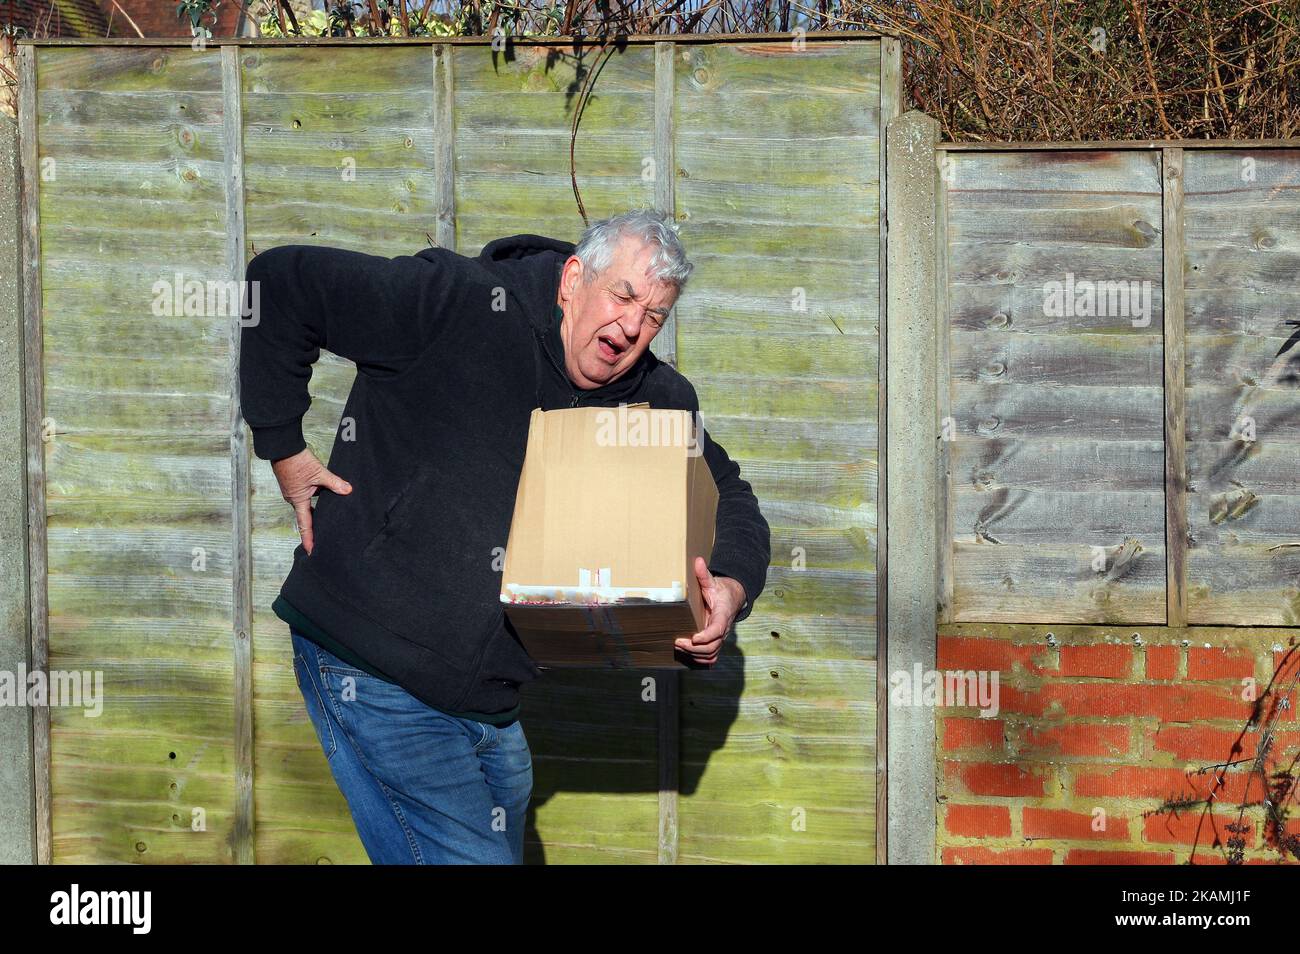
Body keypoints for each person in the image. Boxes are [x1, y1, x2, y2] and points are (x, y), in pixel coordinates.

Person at [239, 208, 771, 864]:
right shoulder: (454, 304)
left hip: (491, 701)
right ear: (575, 278)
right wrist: (283, 448)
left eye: (655, 314)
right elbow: (281, 284)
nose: (633, 326)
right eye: (624, 295)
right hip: (369, 660)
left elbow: (732, 499)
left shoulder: (653, 402)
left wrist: (730, 585)